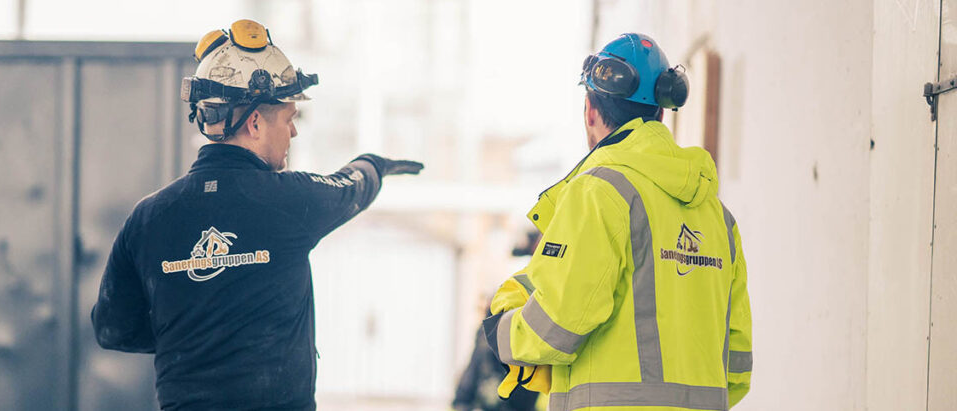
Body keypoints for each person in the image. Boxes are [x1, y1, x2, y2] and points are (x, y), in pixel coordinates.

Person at [91, 19, 422, 411]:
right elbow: (352, 187)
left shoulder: (147, 219)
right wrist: (375, 163)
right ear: (254, 123)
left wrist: (190, 330)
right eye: (289, 118)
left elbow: (113, 329)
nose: (294, 133)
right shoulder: (291, 200)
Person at [482, 33, 752, 411]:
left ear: (590, 111)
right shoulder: (719, 219)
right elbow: (736, 370)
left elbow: (558, 326)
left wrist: (503, 332)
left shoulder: (599, 192)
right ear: (661, 113)